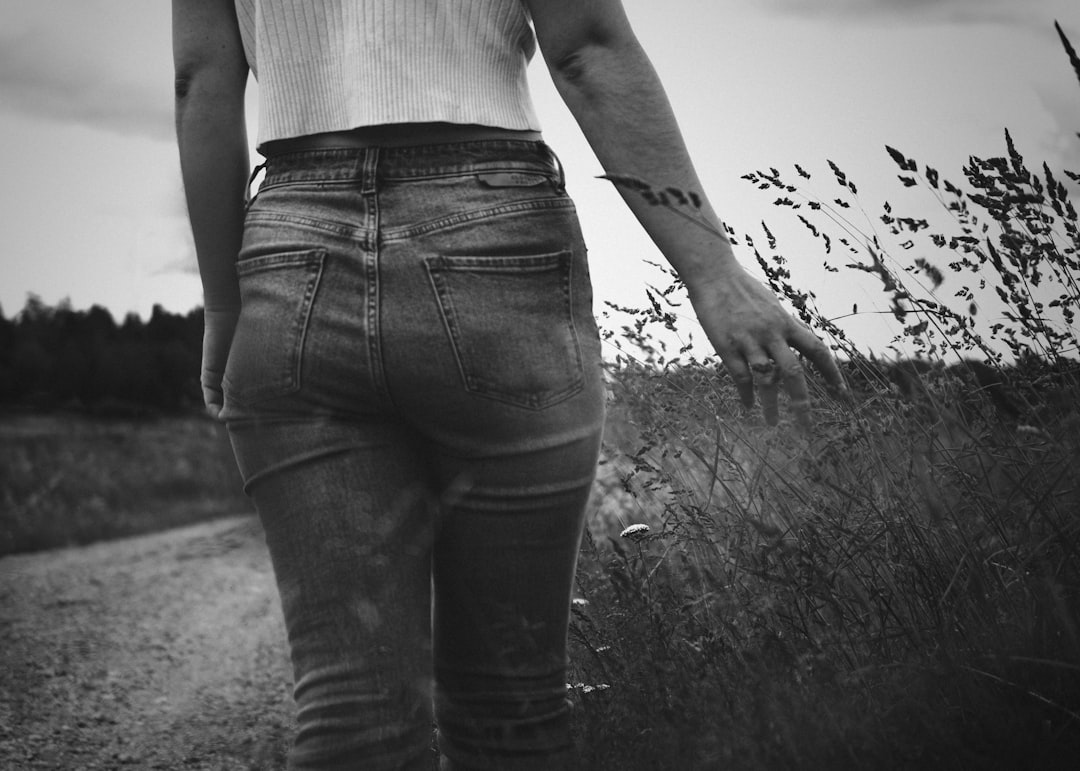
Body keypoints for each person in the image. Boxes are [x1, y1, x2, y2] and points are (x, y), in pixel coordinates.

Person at [172, 1, 846, 768]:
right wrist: (712, 271)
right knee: (508, 709)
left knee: (349, 711)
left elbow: (201, 80)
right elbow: (587, 48)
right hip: (492, 233)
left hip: (291, 249)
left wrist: (226, 304)